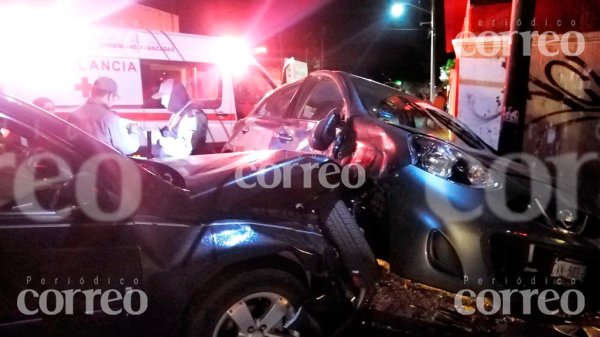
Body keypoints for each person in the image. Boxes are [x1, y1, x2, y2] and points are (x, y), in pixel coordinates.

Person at [69, 77, 140, 155]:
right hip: (104, 165)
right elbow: (128, 148)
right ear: (110, 95)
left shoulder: (74, 114)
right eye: (114, 97)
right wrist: (133, 131)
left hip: (80, 165)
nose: (114, 100)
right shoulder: (110, 118)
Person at [151, 78, 208, 158]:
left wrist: (160, 139)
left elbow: (183, 150)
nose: (162, 102)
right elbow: (173, 132)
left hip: (188, 168)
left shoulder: (191, 115)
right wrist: (159, 132)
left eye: (164, 97)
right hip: (176, 164)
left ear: (174, 96)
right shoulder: (179, 112)